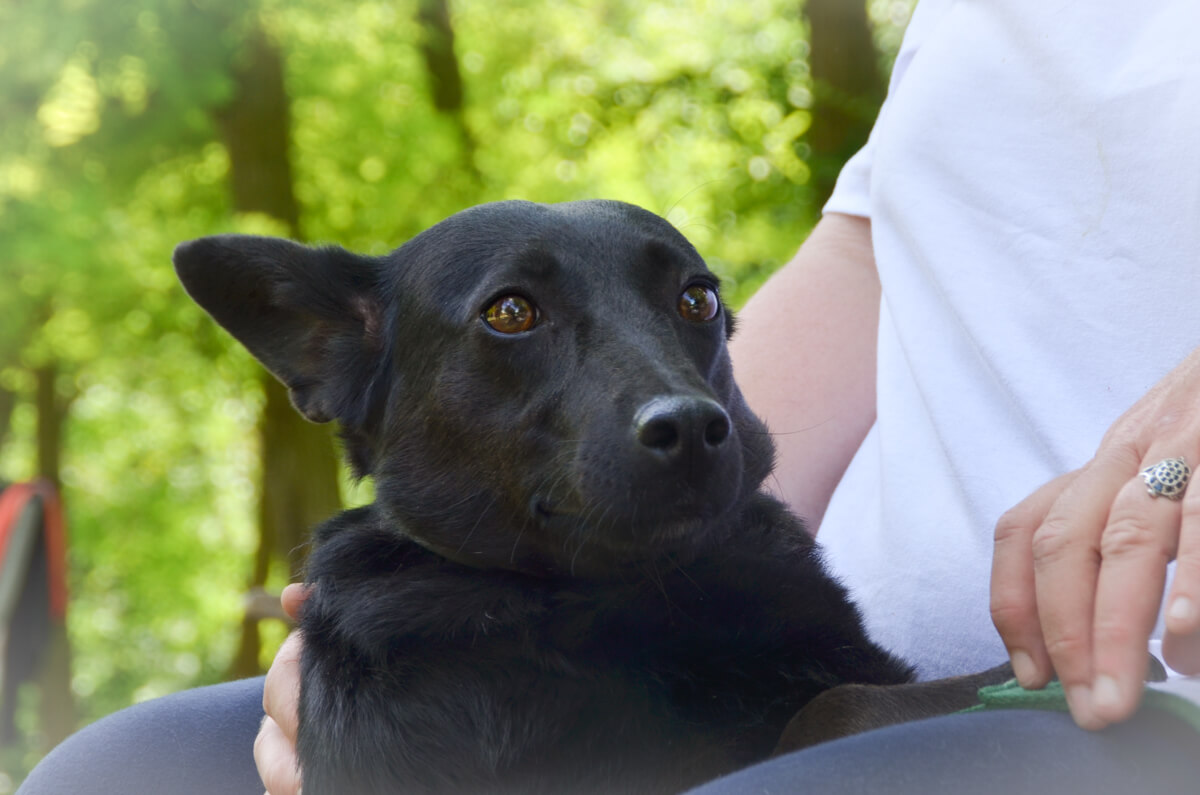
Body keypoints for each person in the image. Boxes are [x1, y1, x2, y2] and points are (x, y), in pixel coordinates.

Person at [17, 0, 1200, 792]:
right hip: (675, 658)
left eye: (687, 298)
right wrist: (383, 676)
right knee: (117, 776)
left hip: (1110, 701)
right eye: (512, 316)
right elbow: (877, 255)